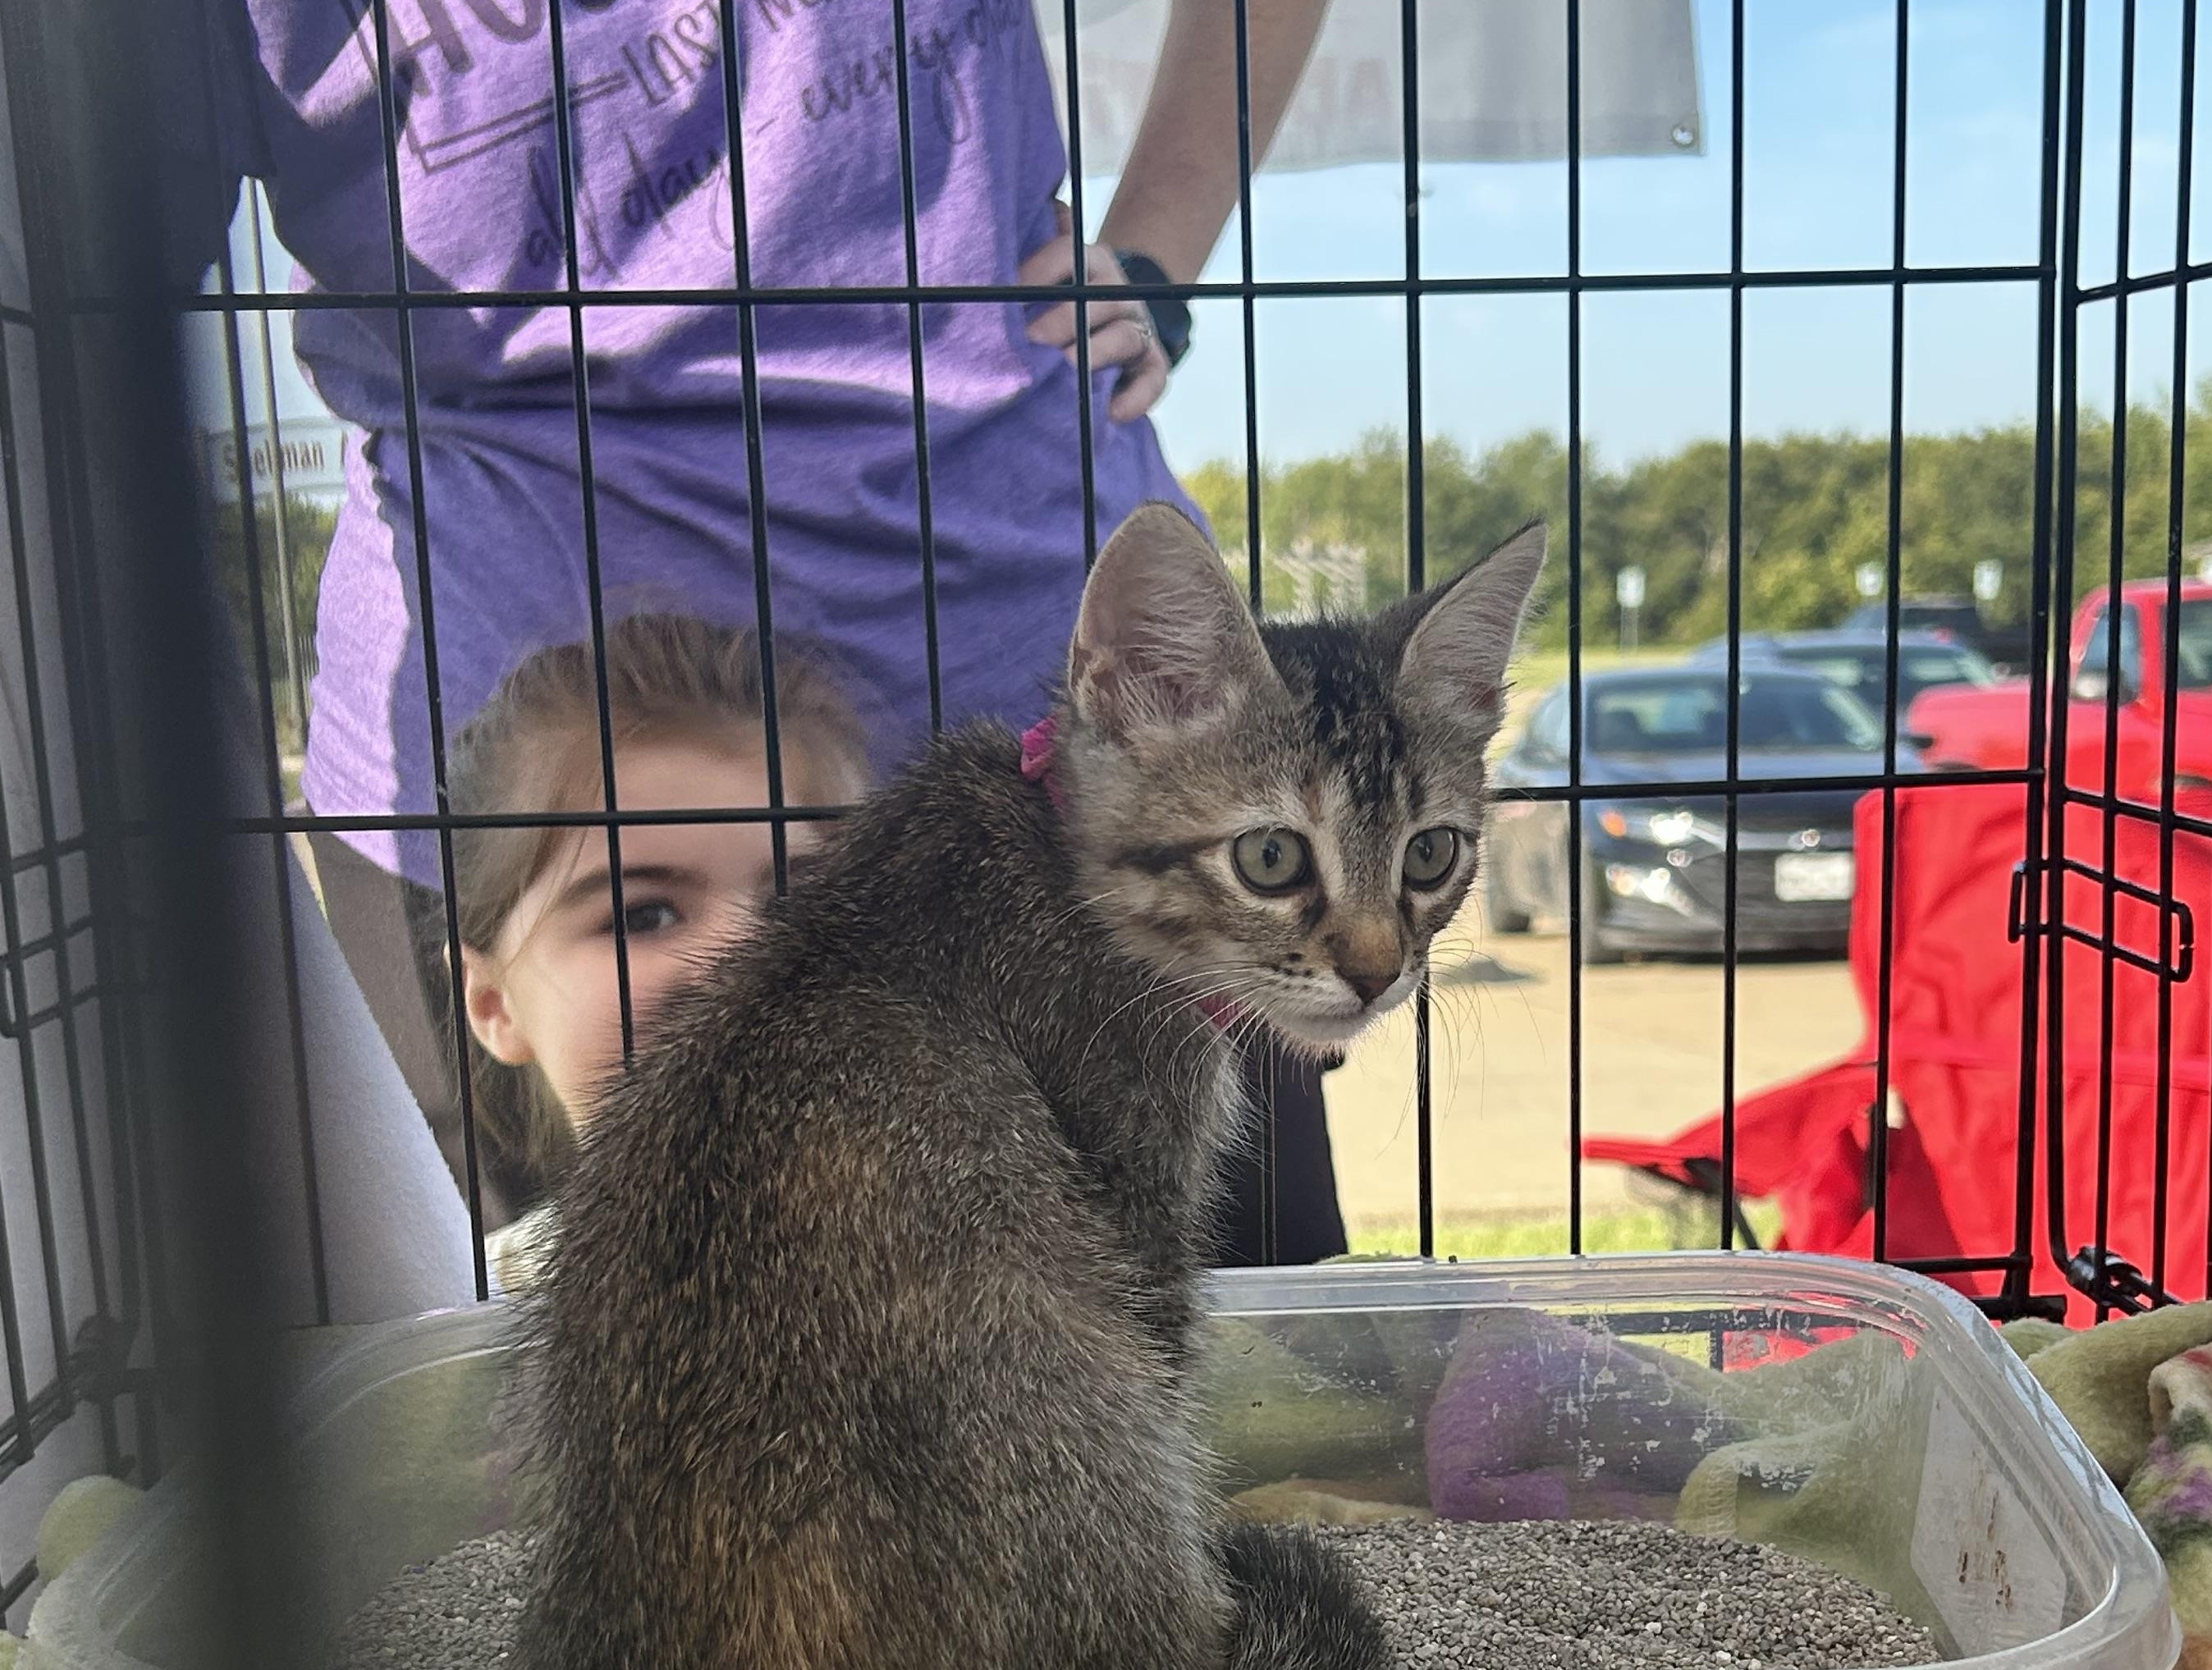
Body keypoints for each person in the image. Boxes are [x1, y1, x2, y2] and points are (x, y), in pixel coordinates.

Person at [167, 0, 1346, 1264]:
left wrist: (1159, 247)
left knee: (1213, 1394)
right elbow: (70, 290)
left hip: (1048, 726)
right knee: (571, 1417)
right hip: (524, 780)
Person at [437, 613, 872, 1284]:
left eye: (797, 901)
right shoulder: (475, 1311)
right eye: (644, 915)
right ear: (494, 1004)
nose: (746, 955)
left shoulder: (1007, 1270)